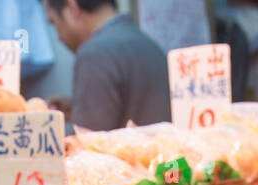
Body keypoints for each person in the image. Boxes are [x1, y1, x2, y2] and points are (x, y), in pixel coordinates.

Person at [42, 0, 172, 130]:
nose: (58, 37)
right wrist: (76, 108)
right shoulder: (147, 44)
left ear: (72, 7)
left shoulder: (94, 54)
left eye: (53, 22)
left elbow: (87, 140)